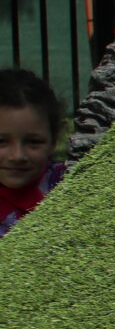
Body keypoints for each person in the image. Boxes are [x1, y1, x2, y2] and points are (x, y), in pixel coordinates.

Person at [0, 68, 68, 239]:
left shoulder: (69, 184)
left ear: (53, 141)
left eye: (34, 142)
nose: (17, 156)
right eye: (1, 142)